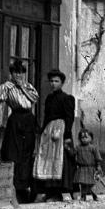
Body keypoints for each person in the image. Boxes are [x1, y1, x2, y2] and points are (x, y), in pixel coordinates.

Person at [0, 60, 39, 203]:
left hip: (28, 120)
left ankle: (26, 187)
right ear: (11, 73)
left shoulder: (29, 87)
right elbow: (1, 107)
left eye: (21, 72)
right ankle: (13, 187)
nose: (18, 75)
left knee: (28, 153)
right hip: (15, 120)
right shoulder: (6, 87)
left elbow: (34, 99)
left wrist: (22, 88)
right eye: (15, 72)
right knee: (13, 152)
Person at [33, 68, 75, 201]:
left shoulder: (67, 98)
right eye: (51, 81)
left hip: (61, 131)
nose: (53, 84)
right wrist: (42, 130)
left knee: (62, 159)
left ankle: (61, 191)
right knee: (48, 159)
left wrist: (67, 135)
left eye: (56, 81)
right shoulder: (49, 98)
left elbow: (69, 118)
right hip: (49, 131)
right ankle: (50, 191)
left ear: (62, 83)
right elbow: (46, 116)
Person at [73, 129, 103, 201]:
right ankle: (83, 196)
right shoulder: (78, 147)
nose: (84, 139)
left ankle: (95, 196)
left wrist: (98, 166)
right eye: (82, 137)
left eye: (86, 137)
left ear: (91, 138)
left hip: (91, 168)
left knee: (92, 183)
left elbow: (97, 157)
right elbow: (73, 154)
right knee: (83, 184)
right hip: (82, 168)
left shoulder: (93, 148)